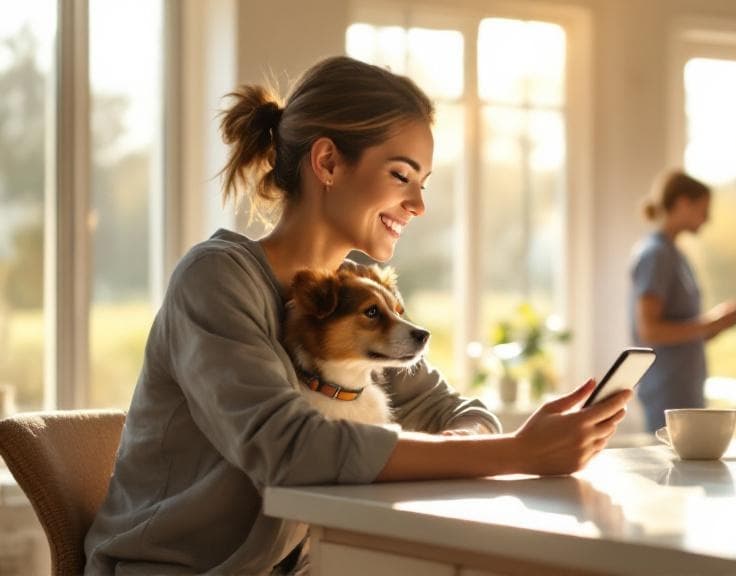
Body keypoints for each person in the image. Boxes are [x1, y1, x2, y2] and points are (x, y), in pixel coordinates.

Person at [84, 56, 631, 575]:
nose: (418, 205)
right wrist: (515, 451)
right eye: (401, 176)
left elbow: (449, 408)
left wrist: (478, 440)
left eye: (423, 184)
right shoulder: (216, 280)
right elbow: (289, 449)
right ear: (326, 162)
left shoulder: (361, 291)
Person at [629, 169, 736, 433]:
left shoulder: (675, 255)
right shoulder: (656, 255)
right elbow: (649, 330)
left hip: (683, 388)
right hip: (666, 392)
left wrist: (722, 322)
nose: (707, 219)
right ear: (683, 203)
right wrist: (711, 323)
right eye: (703, 209)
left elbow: (687, 329)